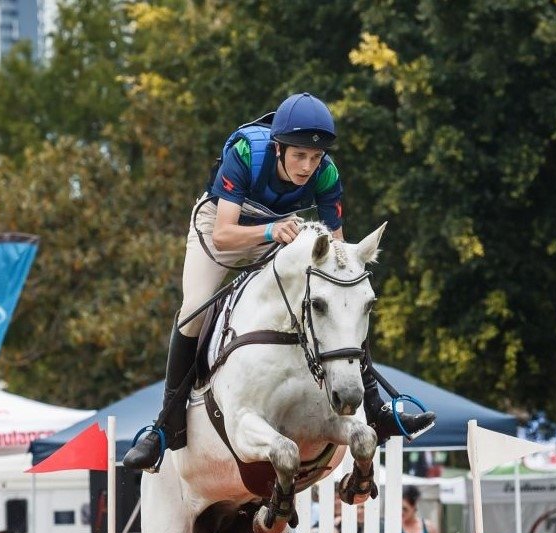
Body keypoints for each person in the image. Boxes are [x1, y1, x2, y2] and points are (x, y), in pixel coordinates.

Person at [124, 92, 436, 472]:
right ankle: (164, 427)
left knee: (340, 297)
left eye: (315, 157)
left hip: (278, 232)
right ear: (278, 148)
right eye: (299, 155)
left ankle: (375, 406)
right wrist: (270, 230)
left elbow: (338, 254)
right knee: (193, 312)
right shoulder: (244, 152)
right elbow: (224, 234)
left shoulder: (327, 173)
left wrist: (343, 284)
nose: (308, 166)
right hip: (223, 229)